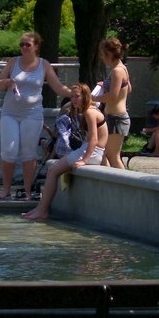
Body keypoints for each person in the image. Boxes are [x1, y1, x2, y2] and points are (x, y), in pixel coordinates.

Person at [0, 31, 72, 200]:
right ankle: (6, 189)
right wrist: (7, 82)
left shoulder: (43, 65)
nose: (23, 47)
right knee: (9, 150)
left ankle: (28, 191)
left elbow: (58, 87)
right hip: (10, 113)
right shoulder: (13, 62)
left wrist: (74, 92)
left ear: (36, 46)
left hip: (32, 114)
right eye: (21, 44)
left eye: (27, 44)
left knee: (28, 152)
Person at [23, 83, 108, 220]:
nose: (73, 100)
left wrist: (84, 160)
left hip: (91, 152)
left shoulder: (90, 112)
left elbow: (94, 139)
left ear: (85, 96)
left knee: (52, 171)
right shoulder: (88, 110)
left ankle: (42, 210)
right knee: (54, 169)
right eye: (71, 97)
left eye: (77, 96)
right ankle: (40, 208)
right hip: (89, 150)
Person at [91, 38, 131, 169]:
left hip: (117, 119)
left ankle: (125, 186)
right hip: (113, 117)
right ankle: (111, 183)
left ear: (109, 54)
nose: (102, 58)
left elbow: (113, 97)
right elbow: (128, 89)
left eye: (103, 55)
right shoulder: (121, 68)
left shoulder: (117, 71)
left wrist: (93, 98)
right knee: (104, 154)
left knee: (113, 156)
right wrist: (107, 85)